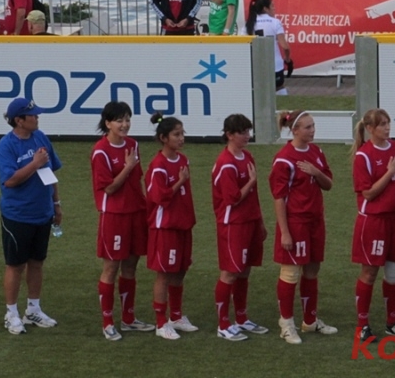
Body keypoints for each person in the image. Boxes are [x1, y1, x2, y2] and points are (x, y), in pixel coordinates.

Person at [0, 97, 63, 335]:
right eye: (32, 115)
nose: (37, 118)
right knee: (15, 265)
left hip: (42, 213)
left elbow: (51, 171)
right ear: (19, 121)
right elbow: (10, 180)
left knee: (37, 262)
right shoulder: (6, 146)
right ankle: (11, 313)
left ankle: (33, 309)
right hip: (17, 215)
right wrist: (34, 164)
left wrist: (56, 204)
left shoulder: (40, 137)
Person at [270, 110, 337, 344]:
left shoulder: (316, 152)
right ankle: (286, 323)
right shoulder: (284, 159)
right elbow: (278, 198)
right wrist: (285, 232)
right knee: (290, 272)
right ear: (294, 130)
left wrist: (316, 172)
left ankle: (310, 321)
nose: (312, 130)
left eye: (313, 126)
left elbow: (328, 184)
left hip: (315, 221)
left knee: (312, 270)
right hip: (296, 223)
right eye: (307, 127)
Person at [91, 101, 154, 341]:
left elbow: (137, 180)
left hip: (136, 212)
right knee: (111, 268)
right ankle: (107, 322)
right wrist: (127, 167)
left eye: (127, 119)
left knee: (131, 265)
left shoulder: (133, 144)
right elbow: (109, 188)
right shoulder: (100, 151)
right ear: (108, 123)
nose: (125, 124)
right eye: (119, 120)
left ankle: (128, 319)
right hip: (114, 216)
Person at [351, 109, 395, 341]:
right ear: (370, 129)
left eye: (388, 123)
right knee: (369, 273)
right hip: (374, 221)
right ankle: (362, 325)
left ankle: (392, 322)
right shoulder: (363, 156)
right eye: (382, 124)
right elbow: (368, 193)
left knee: (394, 273)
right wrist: (389, 172)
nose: (387, 128)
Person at [211, 114, 269, 341]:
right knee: (230, 272)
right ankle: (223, 323)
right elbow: (233, 199)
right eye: (243, 132)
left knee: (245, 270)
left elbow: (253, 197)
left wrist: (260, 222)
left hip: (250, 222)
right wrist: (251, 182)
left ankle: (241, 318)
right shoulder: (226, 164)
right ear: (229, 135)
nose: (247, 136)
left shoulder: (247, 156)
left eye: (248, 131)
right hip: (232, 224)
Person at [145, 112, 198, 340]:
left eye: (182, 133)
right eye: (176, 134)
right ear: (164, 138)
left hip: (183, 224)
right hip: (165, 227)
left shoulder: (183, 159)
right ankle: (160, 322)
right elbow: (159, 197)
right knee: (164, 274)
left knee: (180, 270)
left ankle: (176, 316)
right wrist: (179, 182)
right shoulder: (158, 166)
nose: (181, 138)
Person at [243, 0, 292, 95]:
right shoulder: (275, 22)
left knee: (260, 91)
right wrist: (287, 59)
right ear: (265, 8)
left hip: (256, 67)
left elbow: (242, 45)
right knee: (279, 89)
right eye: (272, 6)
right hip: (274, 66)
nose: (274, 8)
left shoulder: (248, 24)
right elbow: (285, 46)